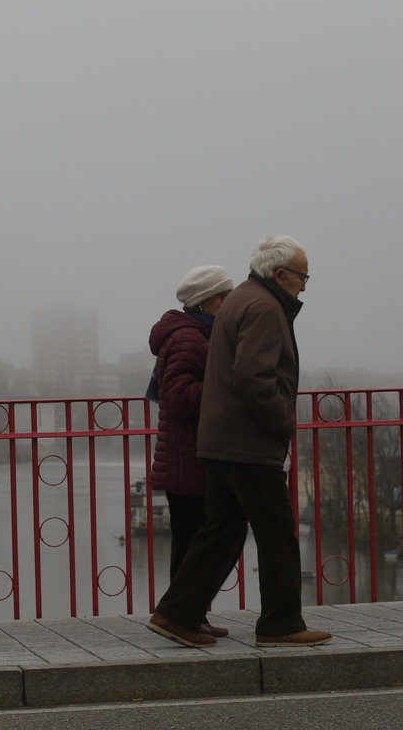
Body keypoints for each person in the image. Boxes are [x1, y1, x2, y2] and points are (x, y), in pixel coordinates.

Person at [147, 235, 332, 648]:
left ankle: (176, 612)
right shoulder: (265, 307)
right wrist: (282, 421)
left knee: (222, 529)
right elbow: (253, 376)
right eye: (303, 277)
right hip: (247, 441)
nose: (304, 286)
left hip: (221, 439)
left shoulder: (241, 299)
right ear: (280, 274)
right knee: (278, 530)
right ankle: (281, 624)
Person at [146, 265, 235, 638]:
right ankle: (181, 617)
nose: (231, 305)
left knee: (193, 542)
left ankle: (190, 613)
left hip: (188, 457)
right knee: (195, 543)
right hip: (189, 460)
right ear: (210, 300)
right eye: (227, 298)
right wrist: (228, 384)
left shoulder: (198, 334)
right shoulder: (189, 338)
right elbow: (180, 396)